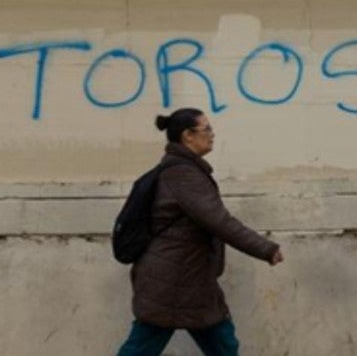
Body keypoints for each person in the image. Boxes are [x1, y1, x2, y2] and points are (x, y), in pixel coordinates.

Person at [116, 108, 284, 356]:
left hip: (187, 277)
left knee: (222, 343)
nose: (213, 134)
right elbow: (219, 221)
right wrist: (266, 249)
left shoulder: (184, 170)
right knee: (144, 345)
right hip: (172, 280)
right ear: (188, 136)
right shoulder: (183, 174)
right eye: (207, 129)